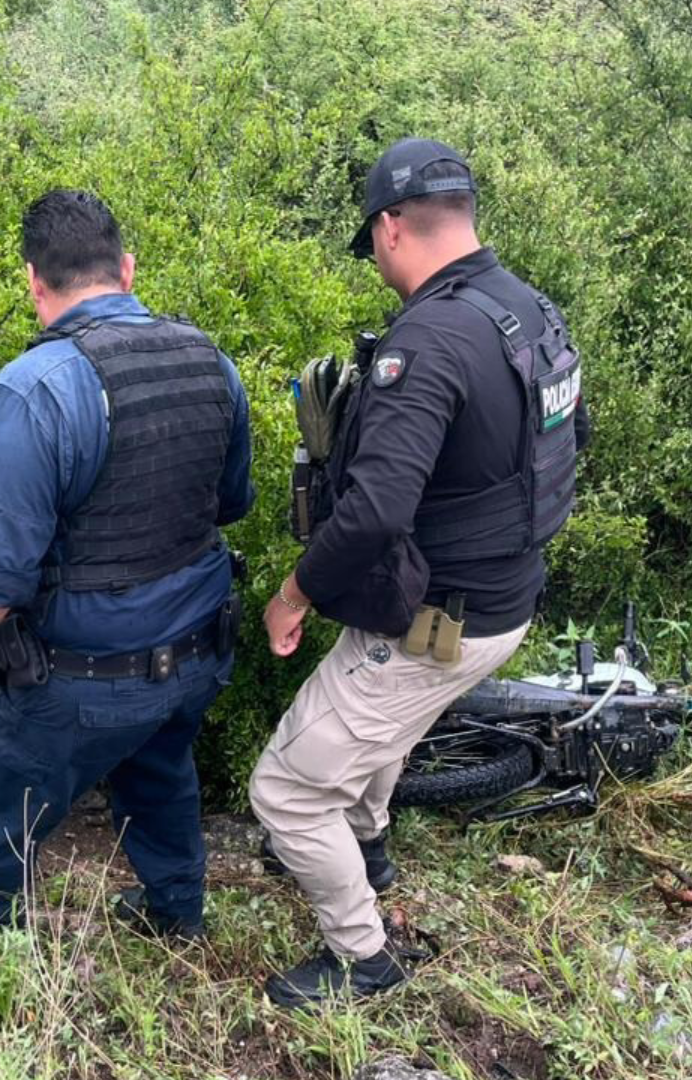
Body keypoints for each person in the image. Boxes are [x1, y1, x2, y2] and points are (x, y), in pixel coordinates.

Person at [250, 139, 591, 1007]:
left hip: (438, 619)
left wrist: (291, 596)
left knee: (285, 791)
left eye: (372, 244)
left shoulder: (428, 340)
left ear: (391, 227)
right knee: (381, 716)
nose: (376, 261)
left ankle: (361, 958)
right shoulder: (528, 311)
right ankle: (366, 847)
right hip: (505, 600)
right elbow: (565, 445)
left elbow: (373, 512)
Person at [0, 189, 254, 953]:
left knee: (3, 810)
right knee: (161, 774)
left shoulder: (37, 390)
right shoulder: (211, 362)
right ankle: (177, 917)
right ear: (127, 269)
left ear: (34, 283)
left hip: (84, 678)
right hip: (197, 653)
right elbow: (231, 503)